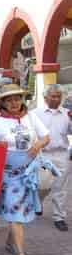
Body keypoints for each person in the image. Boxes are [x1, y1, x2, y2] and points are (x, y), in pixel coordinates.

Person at [0, 84, 50, 255]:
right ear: (4, 103)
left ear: (22, 100)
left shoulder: (31, 117)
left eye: (17, 98)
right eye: (9, 100)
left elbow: (46, 136)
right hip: (10, 176)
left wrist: (39, 144)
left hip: (30, 172)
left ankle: (12, 241)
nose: (14, 103)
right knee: (16, 214)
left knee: (21, 214)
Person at [32, 84, 72, 232]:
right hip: (43, 155)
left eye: (58, 96)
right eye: (53, 96)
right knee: (42, 185)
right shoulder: (35, 113)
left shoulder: (67, 114)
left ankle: (59, 217)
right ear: (45, 97)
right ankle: (38, 203)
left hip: (62, 154)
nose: (56, 99)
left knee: (60, 187)